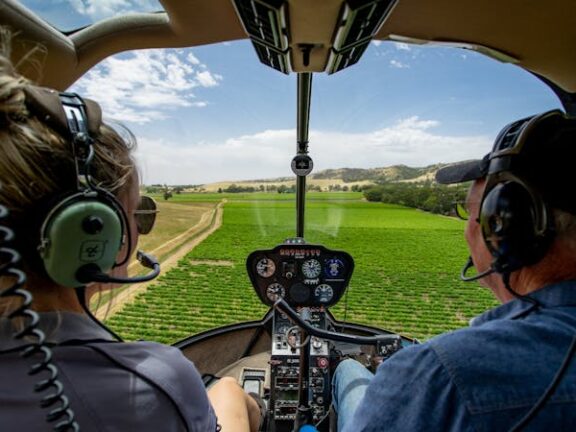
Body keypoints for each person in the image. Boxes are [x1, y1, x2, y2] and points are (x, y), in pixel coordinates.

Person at [0, 34, 261, 431]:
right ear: (89, 231)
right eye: (135, 214)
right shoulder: (151, 385)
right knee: (230, 392)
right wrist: (230, 396)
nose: (138, 231)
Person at [332, 109, 576, 431]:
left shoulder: (439, 374)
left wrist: (241, 410)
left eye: (471, 212)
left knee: (346, 370)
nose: (467, 230)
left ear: (505, 227)